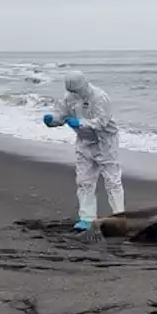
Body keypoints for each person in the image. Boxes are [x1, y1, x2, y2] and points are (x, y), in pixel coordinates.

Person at [43, 70, 124, 241]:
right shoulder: (69, 97)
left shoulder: (100, 97)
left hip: (105, 143)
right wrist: (53, 120)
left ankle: (120, 216)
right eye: (72, 91)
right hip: (83, 142)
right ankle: (87, 218)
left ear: (84, 84)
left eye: (76, 91)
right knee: (84, 181)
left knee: (112, 180)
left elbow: (102, 122)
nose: (74, 94)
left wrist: (81, 122)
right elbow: (62, 114)